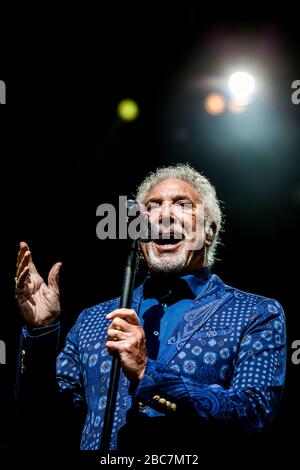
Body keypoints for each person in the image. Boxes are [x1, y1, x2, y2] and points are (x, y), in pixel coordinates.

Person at [15, 163, 286, 455]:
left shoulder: (255, 313)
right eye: (153, 206)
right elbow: (40, 413)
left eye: (182, 205)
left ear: (209, 232)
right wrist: (41, 332)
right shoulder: (94, 319)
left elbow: (254, 413)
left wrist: (147, 373)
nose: (165, 215)